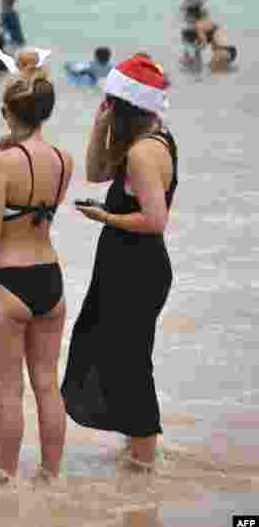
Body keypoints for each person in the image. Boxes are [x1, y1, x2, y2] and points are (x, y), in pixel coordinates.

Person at [63, 56, 177, 472]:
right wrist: (98, 124)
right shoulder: (148, 140)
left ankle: (144, 458)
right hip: (126, 266)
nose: (107, 108)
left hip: (137, 268)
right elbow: (94, 170)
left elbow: (155, 220)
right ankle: (138, 449)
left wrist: (106, 218)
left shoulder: (144, 154)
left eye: (111, 103)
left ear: (125, 106)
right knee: (120, 356)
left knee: (127, 362)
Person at [0, 69, 73, 482]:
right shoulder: (66, 160)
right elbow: (39, 211)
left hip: (8, 281)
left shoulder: (1, 162)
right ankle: (51, 476)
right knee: (47, 385)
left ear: (8, 112)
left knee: (9, 391)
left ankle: (5, 479)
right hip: (50, 277)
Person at [186, 5, 237, 72]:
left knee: (209, 69)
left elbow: (203, 43)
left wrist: (196, 49)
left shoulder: (198, 26)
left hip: (223, 51)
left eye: (188, 18)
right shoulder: (207, 22)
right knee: (210, 68)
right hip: (227, 50)